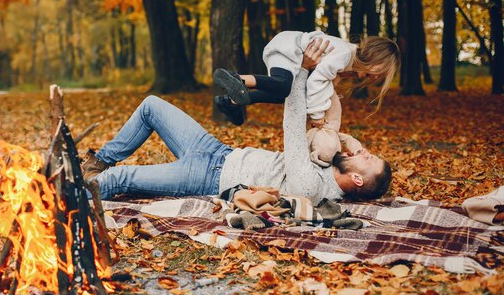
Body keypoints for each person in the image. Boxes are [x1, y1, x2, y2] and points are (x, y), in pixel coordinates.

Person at [81, 54, 392, 204]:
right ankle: (95, 163)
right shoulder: (332, 158)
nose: (363, 152)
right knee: (151, 105)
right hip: (217, 151)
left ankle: (65, 195)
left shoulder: (313, 187)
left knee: (119, 180)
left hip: (206, 176)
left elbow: (294, 125)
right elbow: (328, 120)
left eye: (367, 158)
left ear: (356, 179)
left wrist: (302, 71)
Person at [214, 32, 400, 126]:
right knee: (284, 86)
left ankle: (231, 101)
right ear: (374, 55)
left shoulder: (346, 60)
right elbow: (316, 82)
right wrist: (317, 115)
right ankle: (236, 79)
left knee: (280, 94)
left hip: (289, 53)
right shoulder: (344, 54)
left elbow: (323, 84)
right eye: (379, 70)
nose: (376, 77)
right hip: (288, 49)